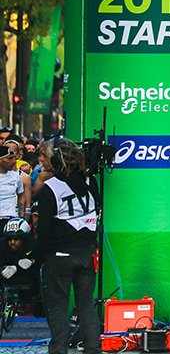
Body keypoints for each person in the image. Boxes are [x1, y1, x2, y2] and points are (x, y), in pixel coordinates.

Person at [35, 139, 101, 354]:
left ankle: (58, 350)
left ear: (56, 160)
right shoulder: (91, 181)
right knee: (86, 305)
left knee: (58, 306)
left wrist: (43, 252)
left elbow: (43, 229)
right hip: (88, 250)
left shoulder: (50, 188)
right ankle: (93, 349)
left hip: (60, 253)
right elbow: (97, 210)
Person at [0, 217, 39, 296]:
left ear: (24, 238)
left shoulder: (34, 244)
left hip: (30, 281)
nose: (13, 242)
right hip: (6, 281)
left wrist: (32, 262)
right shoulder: (2, 245)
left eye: (16, 239)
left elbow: (41, 263)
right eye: (10, 239)